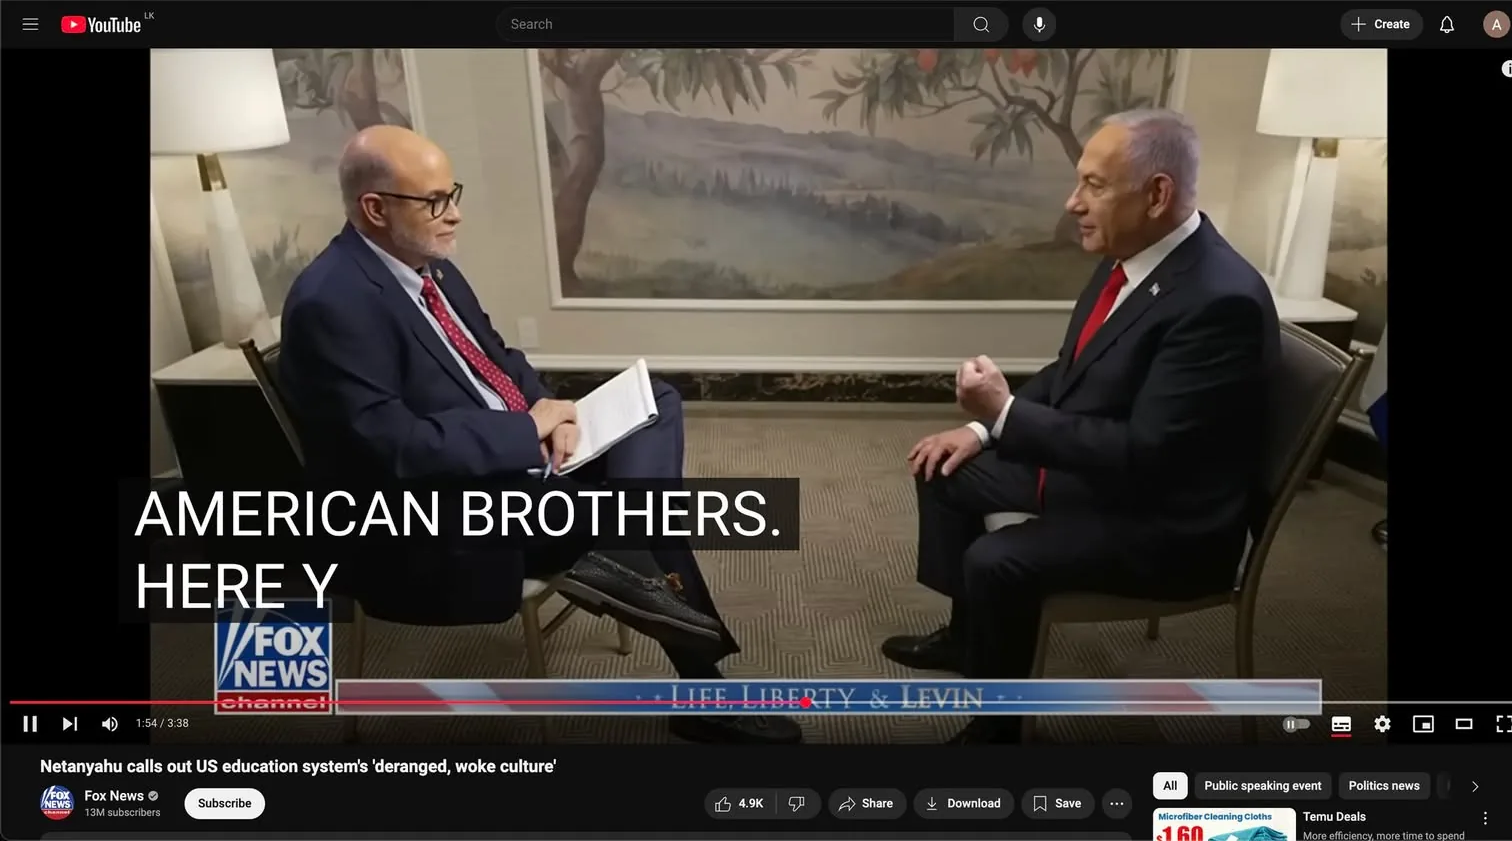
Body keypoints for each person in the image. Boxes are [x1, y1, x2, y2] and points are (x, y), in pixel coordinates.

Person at [279, 125, 800, 745]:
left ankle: (620, 536)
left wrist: (551, 407)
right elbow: (398, 448)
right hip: (438, 515)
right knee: (641, 509)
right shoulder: (331, 302)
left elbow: (496, 355)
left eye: (454, 194)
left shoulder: (426, 266)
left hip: (512, 460)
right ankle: (703, 688)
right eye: (436, 201)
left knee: (656, 401)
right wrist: (526, 430)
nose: (456, 214)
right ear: (375, 208)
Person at [883, 109, 1280, 744]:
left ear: (1157, 194)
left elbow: (1148, 454)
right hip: (1108, 478)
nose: (1074, 203)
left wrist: (1005, 414)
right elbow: (1069, 371)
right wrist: (982, 433)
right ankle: (973, 641)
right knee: (944, 468)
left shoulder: (1218, 300)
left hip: (1165, 524)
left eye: (1095, 185)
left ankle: (995, 735)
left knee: (997, 560)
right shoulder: (1132, 255)